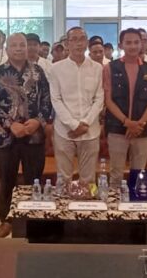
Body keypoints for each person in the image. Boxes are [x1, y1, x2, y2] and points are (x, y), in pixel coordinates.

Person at [0, 33, 52, 238]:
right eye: (13, 45)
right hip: (6, 137)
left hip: (34, 136)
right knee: (7, 180)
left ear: (28, 47)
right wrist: (10, 123)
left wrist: (37, 121)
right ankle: (7, 219)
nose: (18, 48)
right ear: (7, 49)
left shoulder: (38, 72)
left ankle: (32, 217)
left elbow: (47, 101)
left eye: (22, 45)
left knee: (34, 179)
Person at [49, 27, 104, 184]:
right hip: (64, 130)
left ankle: (87, 201)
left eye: (82, 39)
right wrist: (73, 124)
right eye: (74, 39)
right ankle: (64, 200)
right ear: (67, 44)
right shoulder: (56, 69)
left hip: (90, 130)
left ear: (87, 43)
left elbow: (99, 98)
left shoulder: (97, 68)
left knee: (88, 179)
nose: (79, 43)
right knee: (63, 178)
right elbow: (56, 99)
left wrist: (85, 123)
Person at [103, 28, 147, 184]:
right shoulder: (110, 68)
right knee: (116, 173)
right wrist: (127, 122)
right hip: (117, 127)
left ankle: (134, 200)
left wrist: (139, 124)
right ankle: (115, 200)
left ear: (141, 44)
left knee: (139, 173)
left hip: (142, 129)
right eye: (128, 42)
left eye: (136, 42)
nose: (132, 46)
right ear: (121, 45)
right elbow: (108, 100)